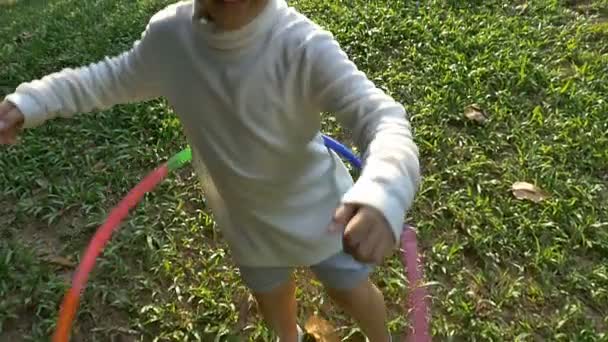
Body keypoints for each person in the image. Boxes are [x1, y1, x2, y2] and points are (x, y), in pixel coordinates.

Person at [0, 0, 420, 340]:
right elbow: (104, 80)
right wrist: (30, 102)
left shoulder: (302, 47)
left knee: (349, 290)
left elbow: (382, 117)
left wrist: (383, 192)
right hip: (246, 224)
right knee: (271, 296)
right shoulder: (170, 39)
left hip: (324, 216)